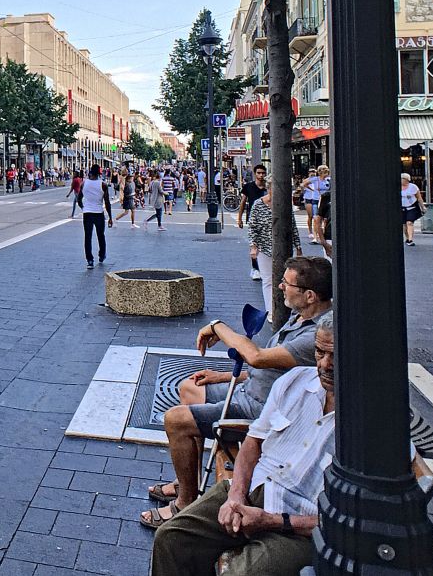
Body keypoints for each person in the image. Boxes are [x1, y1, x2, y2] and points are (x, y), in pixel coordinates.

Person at [141, 257, 332, 532]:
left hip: (258, 408)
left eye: (287, 283)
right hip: (248, 389)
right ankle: (185, 482)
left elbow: (257, 357)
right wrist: (222, 376)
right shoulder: (299, 316)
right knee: (189, 387)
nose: (279, 286)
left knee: (175, 420)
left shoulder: (316, 335)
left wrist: (218, 326)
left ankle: (185, 502)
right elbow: (273, 370)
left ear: (310, 295)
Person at [149, 312, 337, 576]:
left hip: (301, 525)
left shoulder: (371, 420)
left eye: (334, 356)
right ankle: (186, 498)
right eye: (319, 353)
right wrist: (236, 495)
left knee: (240, 572)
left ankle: (186, 497)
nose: (325, 365)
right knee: (171, 538)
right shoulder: (296, 381)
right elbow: (253, 442)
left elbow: (351, 521)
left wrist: (272, 521)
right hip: (257, 489)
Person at [246, 177, 301, 312]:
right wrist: (253, 246)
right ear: (268, 188)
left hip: (284, 247)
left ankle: (286, 307)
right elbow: (252, 227)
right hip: (264, 247)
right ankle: (271, 311)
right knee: (268, 280)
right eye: (274, 189)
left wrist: (298, 247)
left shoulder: (284, 204)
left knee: (286, 279)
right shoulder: (259, 204)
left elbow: (292, 225)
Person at [79, 163, 113, 269]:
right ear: (99, 173)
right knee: (100, 235)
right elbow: (107, 202)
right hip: (98, 213)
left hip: (87, 213)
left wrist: (84, 207)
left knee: (87, 237)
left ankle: (89, 260)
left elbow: (79, 199)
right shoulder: (103, 185)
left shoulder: (84, 184)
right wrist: (110, 217)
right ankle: (101, 255)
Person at [238, 164, 268, 281]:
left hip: (267, 219)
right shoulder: (248, 187)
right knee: (254, 244)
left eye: (263, 173)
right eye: (259, 173)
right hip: (253, 219)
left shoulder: (268, 187)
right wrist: (239, 218)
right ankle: (255, 268)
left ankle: (263, 267)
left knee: (265, 244)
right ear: (255, 174)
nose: (261, 175)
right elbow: (243, 202)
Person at [400, 172, 425, 246]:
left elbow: (419, 197)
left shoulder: (413, 187)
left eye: (402, 179)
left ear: (406, 180)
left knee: (409, 222)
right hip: (402, 208)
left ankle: (410, 239)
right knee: (404, 224)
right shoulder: (398, 187)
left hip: (412, 207)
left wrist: (422, 207)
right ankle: (407, 238)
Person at [298, 168, 320, 245]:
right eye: (310, 172)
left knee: (316, 217)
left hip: (316, 199)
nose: (312, 173)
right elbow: (302, 187)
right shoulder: (306, 180)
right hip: (308, 198)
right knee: (310, 216)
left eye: (313, 172)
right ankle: (310, 231)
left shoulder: (318, 180)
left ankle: (317, 232)